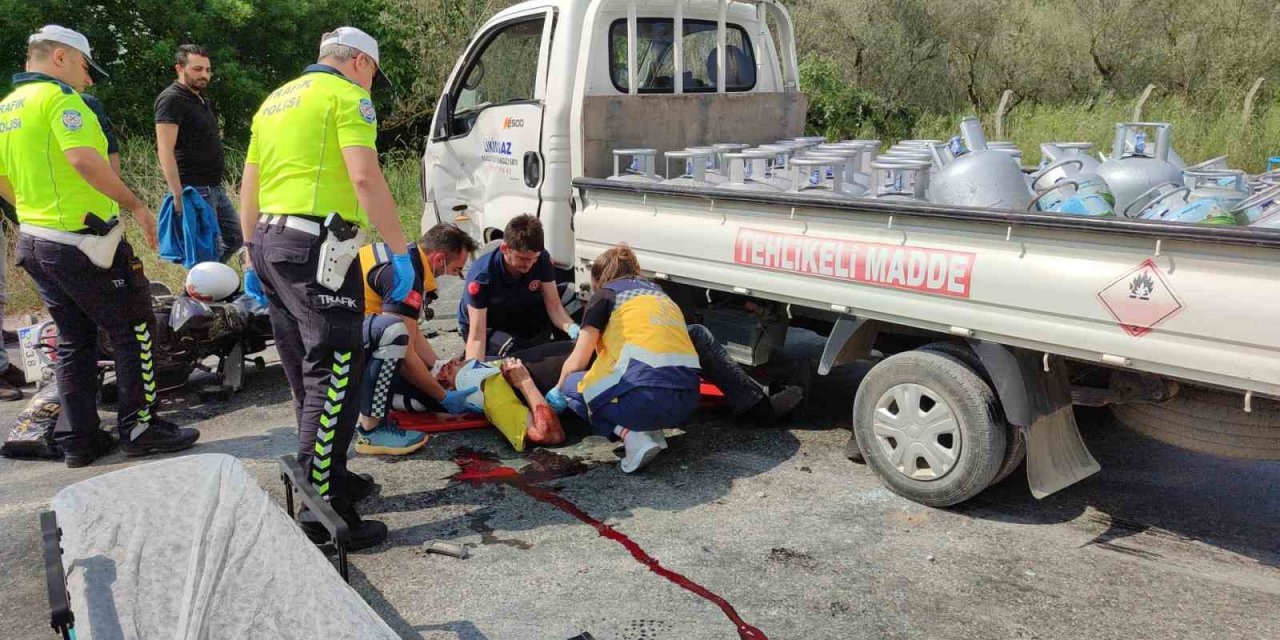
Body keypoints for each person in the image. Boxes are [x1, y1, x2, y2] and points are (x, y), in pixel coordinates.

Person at [240, 26, 414, 550]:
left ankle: (325, 474)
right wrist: (399, 250)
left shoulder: (275, 101)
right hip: (317, 247)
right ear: (360, 62)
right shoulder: (347, 97)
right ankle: (324, 510)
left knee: (302, 367)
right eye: (373, 76)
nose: (371, 87)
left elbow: (248, 182)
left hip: (271, 241)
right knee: (336, 369)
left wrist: (251, 251)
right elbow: (365, 178)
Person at [1, 25, 200, 467]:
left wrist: (33, 215)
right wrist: (134, 204)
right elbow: (82, 159)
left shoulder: (7, 108)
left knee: (74, 339)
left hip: (37, 240)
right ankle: (141, 425)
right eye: (85, 67)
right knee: (134, 328)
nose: (88, 79)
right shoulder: (60, 101)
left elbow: (2, 178)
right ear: (61, 57)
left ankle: (79, 439)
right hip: (83, 239)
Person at [551, 244, 702, 473]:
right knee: (633, 377)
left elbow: (577, 362)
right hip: (688, 401)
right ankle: (651, 432)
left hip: (645, 401)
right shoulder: (661, 295)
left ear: (600, 278)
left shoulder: (605, 295)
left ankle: (632, 437)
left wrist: (556, 390)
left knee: (574, 385)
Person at [354, 222, 479, 456]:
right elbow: (402, 348)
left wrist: (436, 365)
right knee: (422, 396)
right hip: (345, 345)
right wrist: (443, 397)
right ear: (439, 259)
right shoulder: (406, 275)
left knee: (403, 346)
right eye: (456, 269)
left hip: (335, 335)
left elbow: (411, 331)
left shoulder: (401, 256)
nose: (454, 276)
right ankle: (372, 427)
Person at [155, 45, 241, 264]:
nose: (204, 75)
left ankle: (206, 282)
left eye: (207, 70)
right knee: (204, 249)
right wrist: (177, 194)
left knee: (235, 237)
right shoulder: (171, 99)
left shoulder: (202, 100)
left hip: (214, 186)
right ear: (179, 68)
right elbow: (165, 149)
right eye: (197, 69)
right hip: (193, 188)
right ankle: (200, 289)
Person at [459, 214, 577, 360]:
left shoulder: (541, 259)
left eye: (534, 258)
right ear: (504, 249)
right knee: (513, 352)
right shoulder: (482, 277)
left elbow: (554, 306)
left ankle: (567, 352)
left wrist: (571, 327)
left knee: (571, 296)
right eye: (523, 258)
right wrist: (473, 373)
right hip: (488, 325)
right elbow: (477, 335)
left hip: (519, 311)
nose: (529, 264)